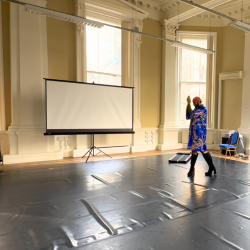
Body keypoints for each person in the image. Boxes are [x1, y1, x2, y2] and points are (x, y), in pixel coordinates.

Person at [186, 96, 216, 177]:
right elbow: (188, 116)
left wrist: (189, 105)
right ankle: (210, 167)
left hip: (200, 133)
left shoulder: (203, 110)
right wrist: (188, 104)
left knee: (198, 150)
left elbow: (192, 115)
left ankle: (193, 169)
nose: (194, 104)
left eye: (195, 103)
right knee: (199, 150)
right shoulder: (195, 110)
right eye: (193, 103)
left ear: (199, 102)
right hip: (194, 133)